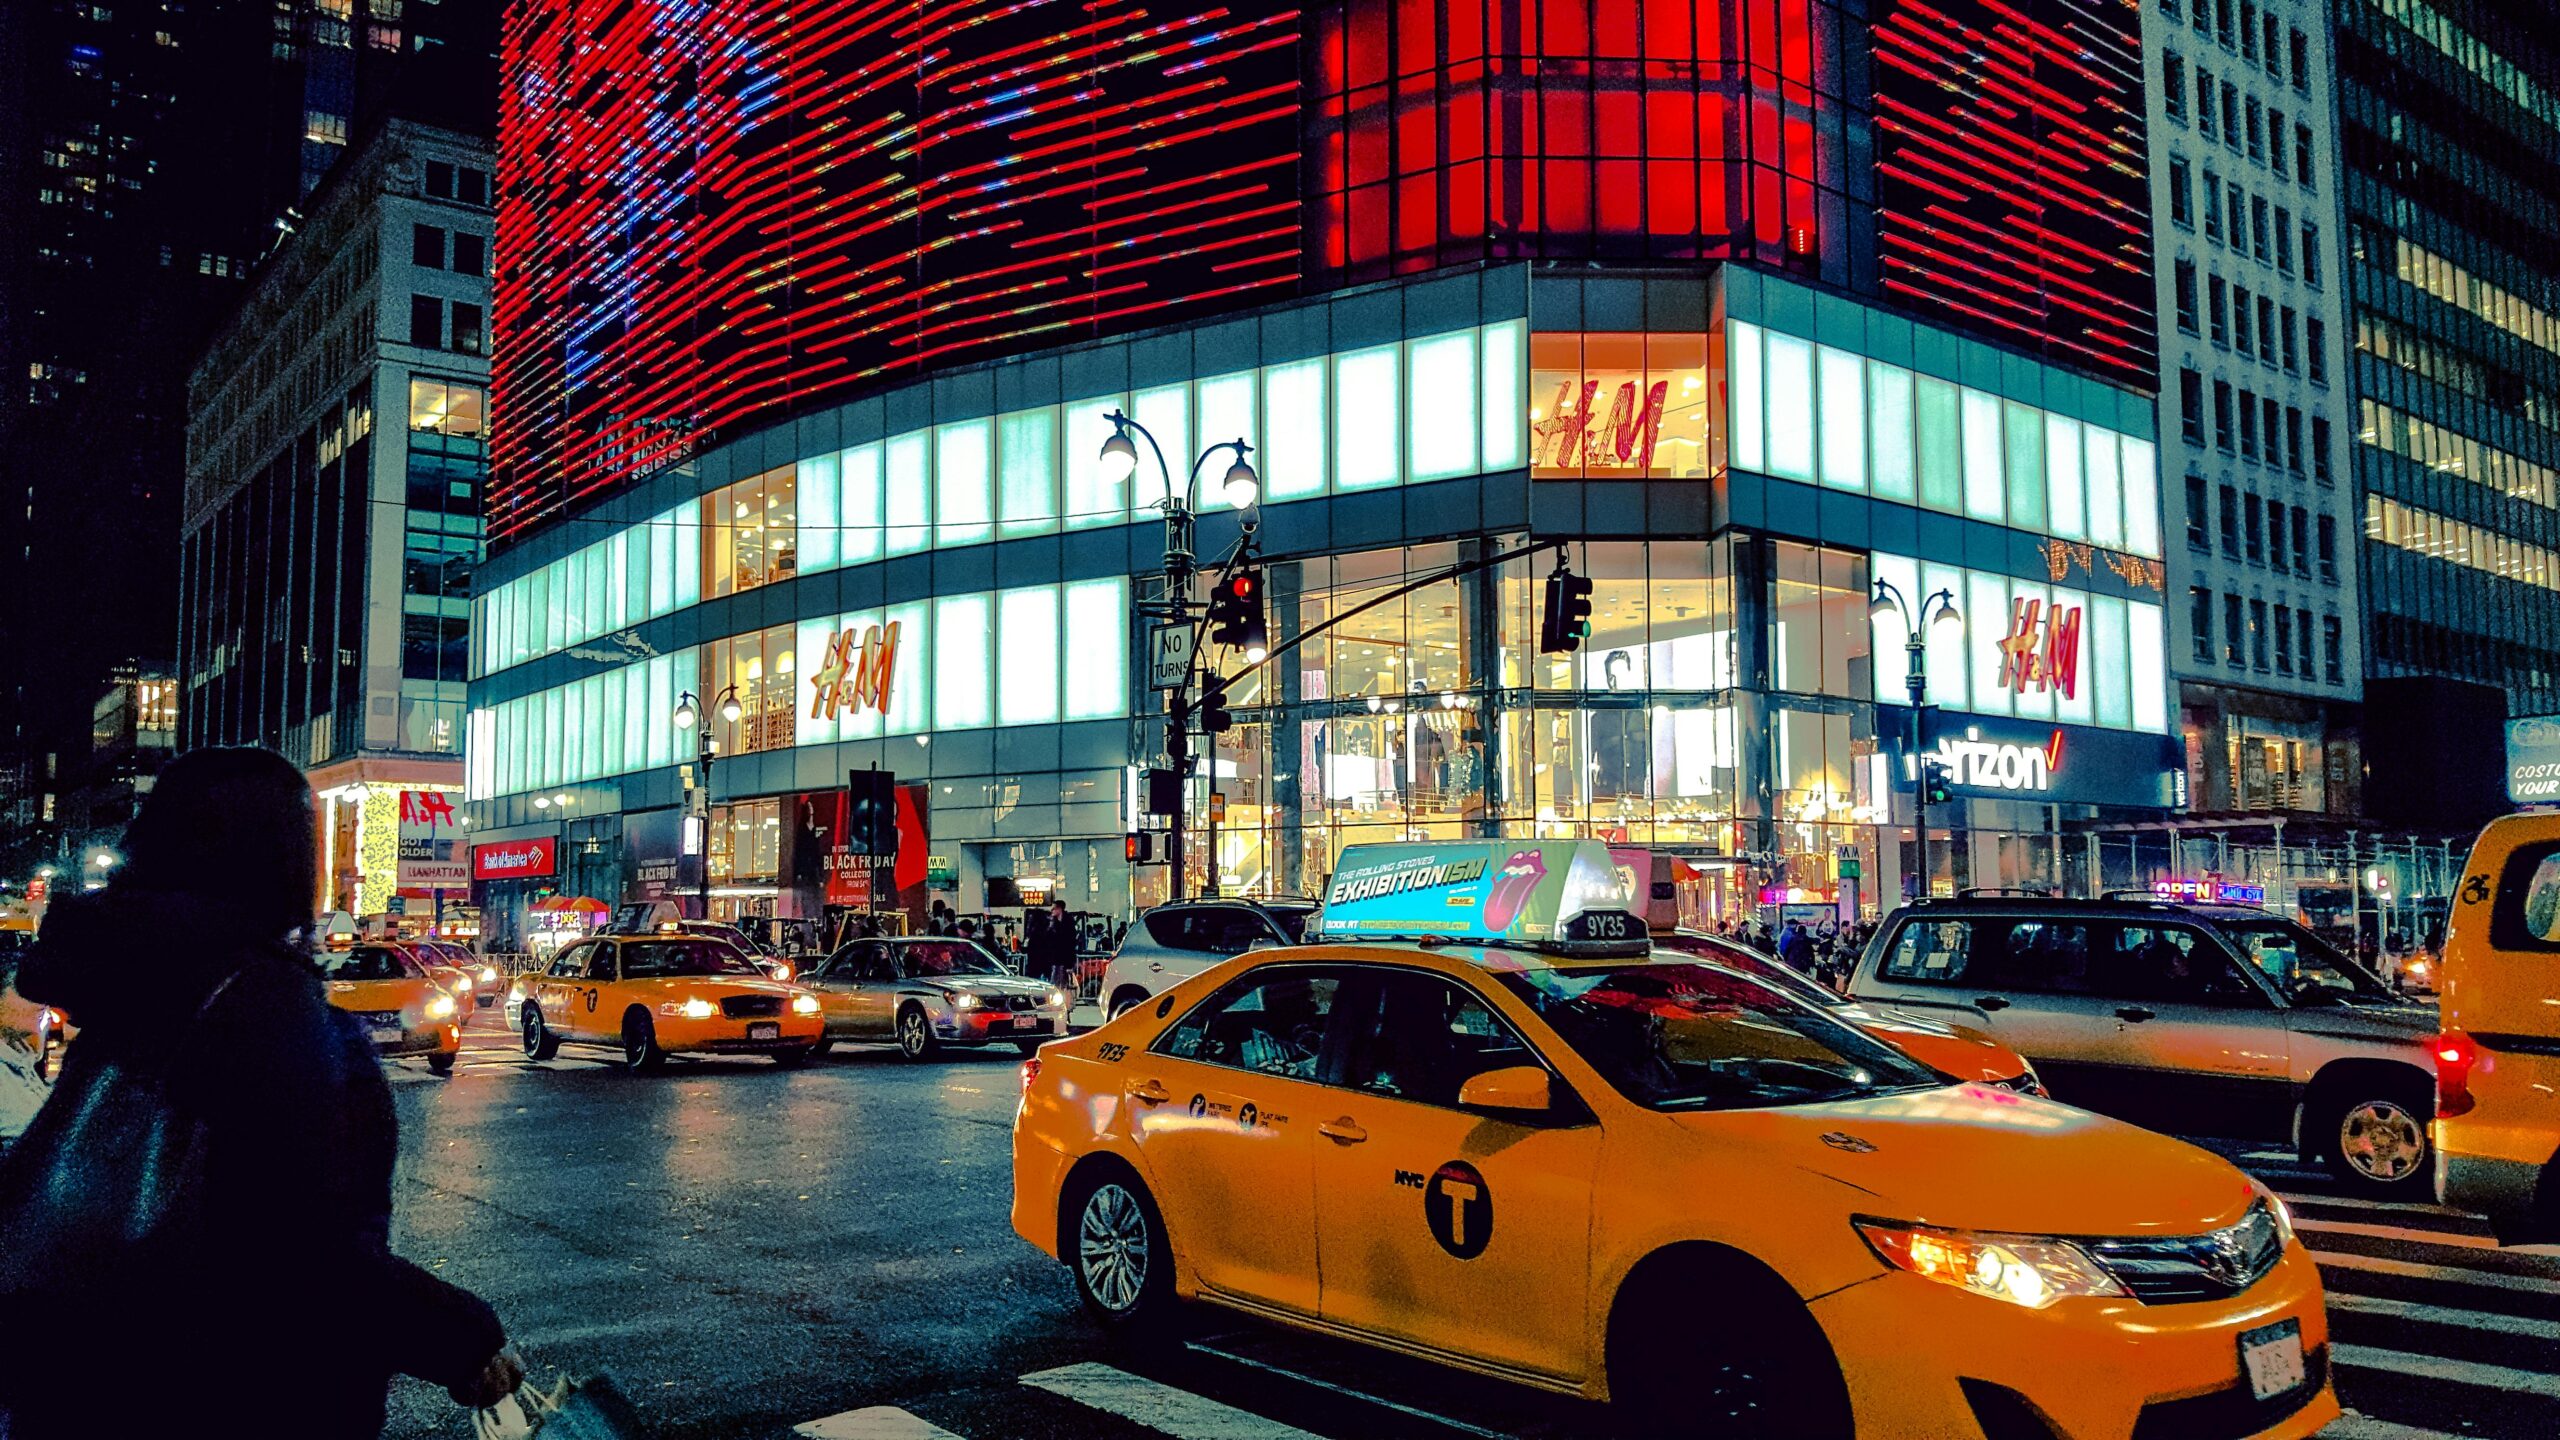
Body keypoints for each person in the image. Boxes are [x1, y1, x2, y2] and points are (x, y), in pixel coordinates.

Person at [0, 747, 521, 1439]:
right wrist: (462, 1336)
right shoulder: (267, 1011)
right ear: (281, 857)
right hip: (246, 1400)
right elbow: (302, 1262)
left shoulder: (129, 1000)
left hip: (77, 1396)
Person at [1027, 897, 1076, 988]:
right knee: (1058, 984)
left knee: (1059, 985)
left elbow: (1069, 944)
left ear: (1059, 909)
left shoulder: (1066, 925)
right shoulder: (1054, 924)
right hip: (1055, 961)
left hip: (1060, 961)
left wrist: (1069, 964)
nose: (1052, 910)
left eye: (1054, 908)